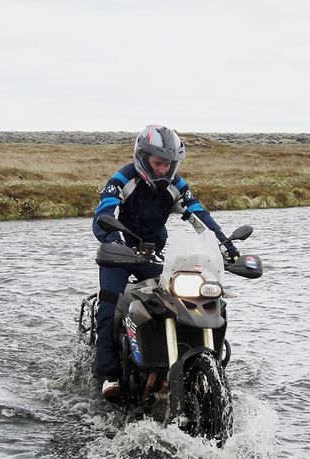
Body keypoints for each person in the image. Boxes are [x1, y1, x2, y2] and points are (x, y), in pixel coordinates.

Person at [92, 124, 240, 399]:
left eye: (168, 165)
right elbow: (105, 213)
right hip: (120, 254)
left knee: (181, 301)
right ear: (142, 158)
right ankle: (108, 373)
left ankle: (187, 362)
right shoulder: (122, 180)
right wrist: (114, 241)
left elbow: (199, 216)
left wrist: (225, 247)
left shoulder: (175, 186)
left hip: (153, 255)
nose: (163, 170)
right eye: (158, 163)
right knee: (108, 307)